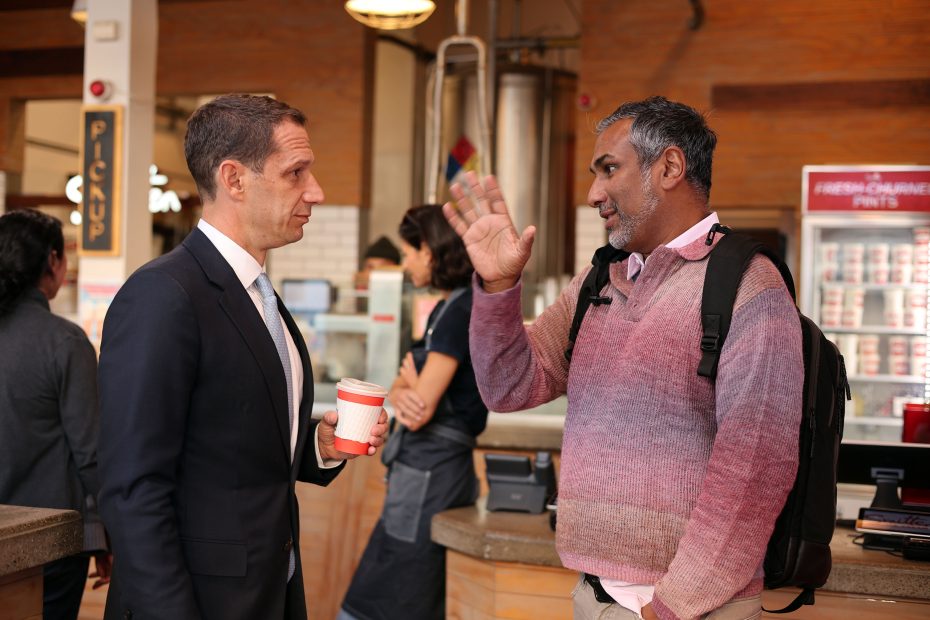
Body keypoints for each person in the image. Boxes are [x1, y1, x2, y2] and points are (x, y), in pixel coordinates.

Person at [443, 96, 803, 620]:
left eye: (609, 169)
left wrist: (672, 607)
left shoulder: (749, 285)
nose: (594, 194)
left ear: (670, 167)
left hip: (691, 609)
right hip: (593, 595)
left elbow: (756, 466)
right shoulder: (599, 281)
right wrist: (499, 285)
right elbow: (509, 386)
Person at [97, 94, 389, 620]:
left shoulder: (257, 291)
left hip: (268, 591)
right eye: (295, 172)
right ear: (234, 179)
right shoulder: (165, 294)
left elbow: (232, 446)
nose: (316, 192)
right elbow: (133, 487)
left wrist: (319, 447)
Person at [339, 205, 487, 620]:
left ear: (431, 251)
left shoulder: (459, 311)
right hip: (423, 471)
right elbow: (405, 384)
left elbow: (418, 408)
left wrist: (408, 381)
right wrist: (406, 380)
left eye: (408, 253)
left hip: (431, 473)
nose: (405, 264)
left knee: (392, 592)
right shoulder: (445, 309)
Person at [0, 209, 111, 620]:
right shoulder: (63, 343)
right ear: (52, 260)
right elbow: (92, 454)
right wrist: (105, 537)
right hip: (50, 544)